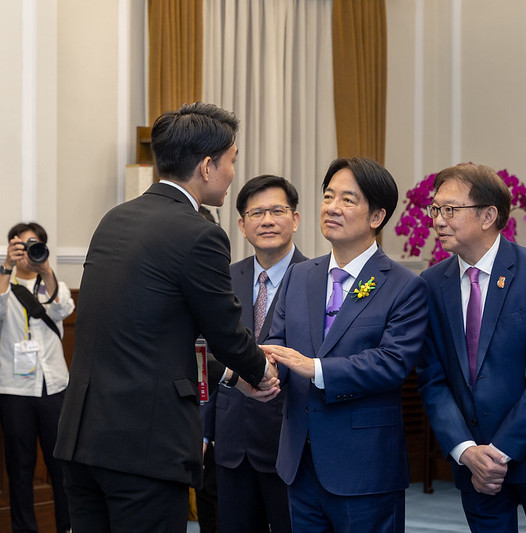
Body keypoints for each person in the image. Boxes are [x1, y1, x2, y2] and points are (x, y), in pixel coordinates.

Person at [54, 102, 279, 533]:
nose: (234, 173)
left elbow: (147, 336)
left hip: (83, 438)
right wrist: (261, 372)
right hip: (145, 445)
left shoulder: (114, 219)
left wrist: (232, 378)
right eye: (232, 161)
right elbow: (226, 333)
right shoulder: (199, 233)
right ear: (209, 166)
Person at [263, 157, 428, 532]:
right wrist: (264, 374)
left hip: (365, 468)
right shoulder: (300, 276)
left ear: (376, 216)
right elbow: (277, 342)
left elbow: (392, 363)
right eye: (327, 196)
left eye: (348, 200)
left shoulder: (404, 285)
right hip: (299, 462)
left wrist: (314, 368)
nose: (332, 208)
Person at [417, 163, 526, 532]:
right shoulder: (430, 284)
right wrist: (466, 451)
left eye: (450, 210)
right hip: (474, 466)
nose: (438, 220)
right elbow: (433, 379)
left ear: (489, 214)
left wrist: (498, 452)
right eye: (435, 209)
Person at [204, 175, 306, 533]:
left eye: (277, 211)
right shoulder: (222, 278)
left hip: (290, 444)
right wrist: (203, 432)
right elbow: (205, 355)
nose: (267, 220)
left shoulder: (317, 278)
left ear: (295, 219)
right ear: (242, 225)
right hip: (231, 443)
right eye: (256, 213)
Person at [0, 222, 74, 533]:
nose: (29, 251)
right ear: (12, 248)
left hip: (55, 386)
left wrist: (46, 271)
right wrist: (5, 268)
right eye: (22, 245)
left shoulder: (52, 284)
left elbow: (64, 309)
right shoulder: (5, 284)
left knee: (62, 468)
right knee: (19, 469)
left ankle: (67, 528)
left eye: (35, 244)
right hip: (15, 390)